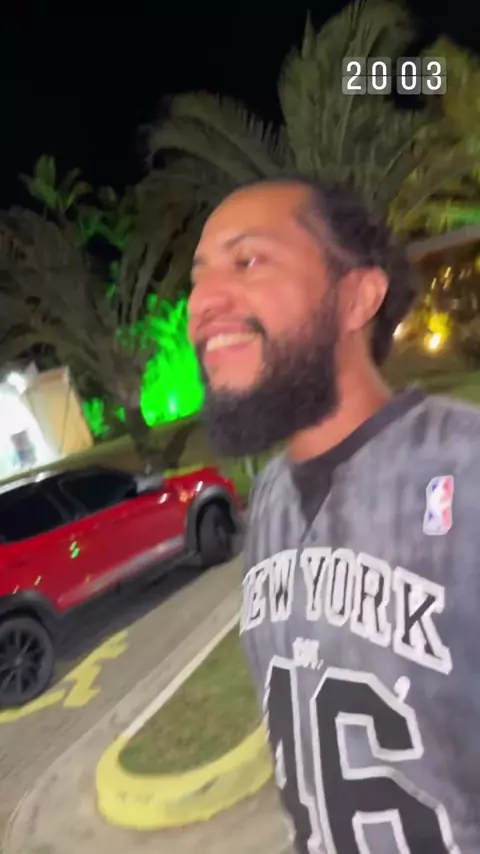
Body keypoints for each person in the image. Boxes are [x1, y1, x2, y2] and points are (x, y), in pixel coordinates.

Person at [187, 176, 479, 853]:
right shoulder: (269, 504)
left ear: (356, 297)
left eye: (247, 261)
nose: (202, 303)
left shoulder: (463, 471)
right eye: (198, 277)